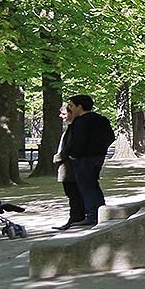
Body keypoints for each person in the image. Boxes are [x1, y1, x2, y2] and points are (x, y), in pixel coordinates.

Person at [57, 94, 114, 230]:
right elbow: (110, 137)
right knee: (93, 185)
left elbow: (77, 141)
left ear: (79, 107)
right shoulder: (101, 119)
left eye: (71, 105)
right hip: (97, 158)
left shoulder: (80, 122)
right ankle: (102, 212)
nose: (70, 108)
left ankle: (92, 215)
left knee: (86, 187)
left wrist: (74, 155)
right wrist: (101, 150)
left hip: (83, 159)